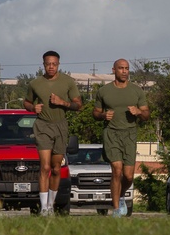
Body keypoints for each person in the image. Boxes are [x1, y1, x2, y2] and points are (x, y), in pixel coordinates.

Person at [24, 50, 82, 215]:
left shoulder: (68, 82)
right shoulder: (35, 83)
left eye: (54, 64)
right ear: (43, 64)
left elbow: (78, 105)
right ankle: (43, 208)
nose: (51, 67)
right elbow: (27, 102)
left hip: (60, 126)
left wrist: (63, 102)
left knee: (56, 168)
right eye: (48, 64)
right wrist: (32, 108)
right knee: (45, 166)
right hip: (42, 125)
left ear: (58, 64)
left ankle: (50, 204)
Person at [93, 59, 150, 217]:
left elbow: (146, 114)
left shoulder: (136, 91)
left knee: (129, 176)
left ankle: (121, 195)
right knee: (117, 171)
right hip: (111, 133)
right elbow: (95, 113)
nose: (124, 71)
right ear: (114, 70)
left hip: (130, 134)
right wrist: (103, 115)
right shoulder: (104, 91)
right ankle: (116, 208)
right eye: (121, 68)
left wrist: (138, 112)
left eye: (126, 68)